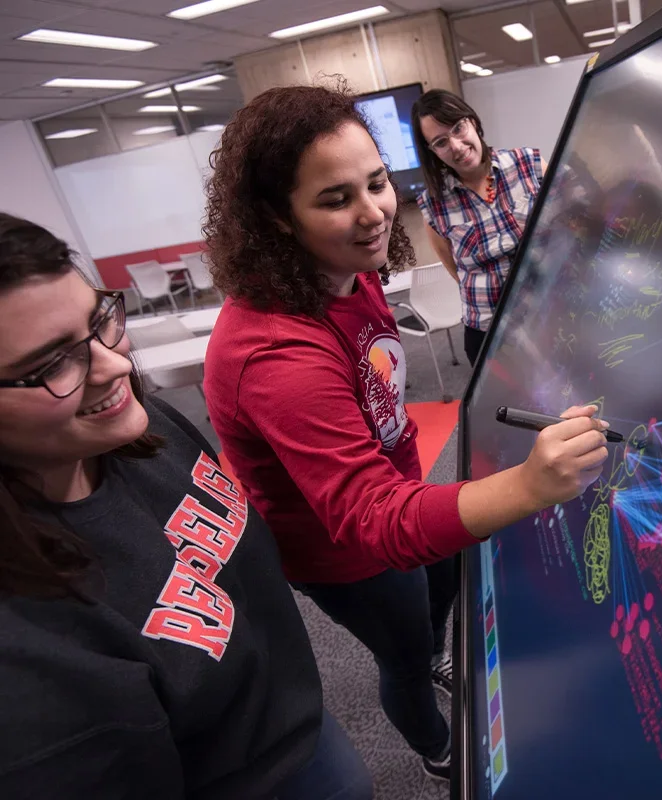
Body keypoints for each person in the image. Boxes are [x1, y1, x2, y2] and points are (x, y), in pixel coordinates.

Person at [203, 84, 609, 782]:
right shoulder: (275, 353)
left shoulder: (342, 274)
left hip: (395, 486)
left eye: (377, 183)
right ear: (275, 217)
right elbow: (370, 521)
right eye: (335, 199)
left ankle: (433, 651)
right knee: (404, 653)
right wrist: (529, 485)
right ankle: (439, 751)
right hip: (346, 552)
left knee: (437, 589)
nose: (373, 214)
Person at [0, 213, 372, 800]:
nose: (116, 365)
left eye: (99, 320)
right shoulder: (27, 665)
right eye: (52, 366)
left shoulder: (136, 433)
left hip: (297, 728)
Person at [411, 89, 547, 366]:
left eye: (458, 128)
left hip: (551, 318)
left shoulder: (528, 165)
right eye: (440, 142)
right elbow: (456, 270)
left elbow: (574, 223)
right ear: (433, 152)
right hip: (488, 334)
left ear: (472, 121)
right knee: (508, 409)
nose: (456, 146)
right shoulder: (433, 206)